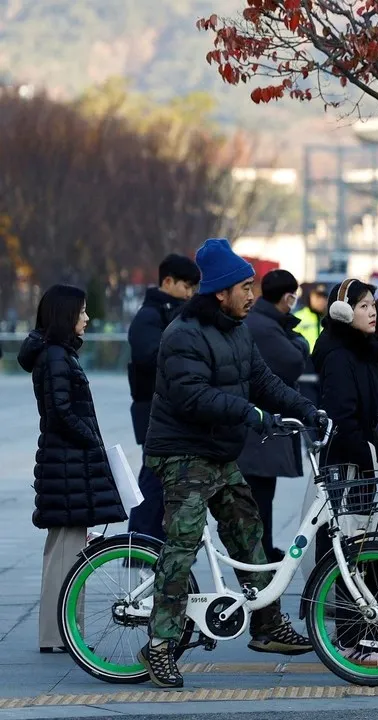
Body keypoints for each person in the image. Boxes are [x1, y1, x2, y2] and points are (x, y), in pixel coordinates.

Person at [139, 238, 319, 689]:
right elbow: (191, 395)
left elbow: (262, 381)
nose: (252, 294)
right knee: (182, 544)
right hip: (180, 452)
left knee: (248, 535)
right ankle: (159, 645)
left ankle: (266, 626)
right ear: (220, 291)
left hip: (219, 453)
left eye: (252, 285)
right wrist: (247, 412)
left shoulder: (238, 331)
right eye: (245, 286)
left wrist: (307, 408)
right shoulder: (183, 334)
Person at [18, 284, 126, 653]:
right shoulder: (56, 358)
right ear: (65, 315)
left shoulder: (57, 355)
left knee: (66, 550)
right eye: (81, 311)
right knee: (66, 551)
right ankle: (61, 634)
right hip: (65, 462)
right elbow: (61, 413)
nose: (87, 317)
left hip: (64, 461)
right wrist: (93, 442)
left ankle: (64, 631)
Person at [310, 278, 378, 666]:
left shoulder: (366, 351)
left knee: (365, 549)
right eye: (362, 305)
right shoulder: (339, 355)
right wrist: (367, 457)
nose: (372, 310)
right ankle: (355, 637)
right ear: (343, 312)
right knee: (354, 551)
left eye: (372, 303)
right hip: (350, 470)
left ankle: (362, 635)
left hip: (365, 463)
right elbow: (342, 420)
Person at [237, 269, 310, 563]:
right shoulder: (265, 326)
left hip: (259, 427)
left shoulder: (262, 321)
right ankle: (261, 554)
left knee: (261, 497)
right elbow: (293, 362)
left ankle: (263, 550)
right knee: (259, 498)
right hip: (258, 430)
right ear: (288, 297)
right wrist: (299, 340)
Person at [126, 254, 201, 541]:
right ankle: (140, 543)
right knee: (153, 479)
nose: (190, 294)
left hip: (169, 410)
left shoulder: (175, 313)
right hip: (152, 410)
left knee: (164, 479)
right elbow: (150, 357)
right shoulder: (149, 316)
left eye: (194, 288)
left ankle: (153, 542)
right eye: (186, 286)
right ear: (167, 281)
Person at [293, 282, 327, 351]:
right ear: (309, 297)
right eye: (317, 297)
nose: (321, 301)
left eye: (324, 297)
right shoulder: (298, 317)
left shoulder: (328, 319)